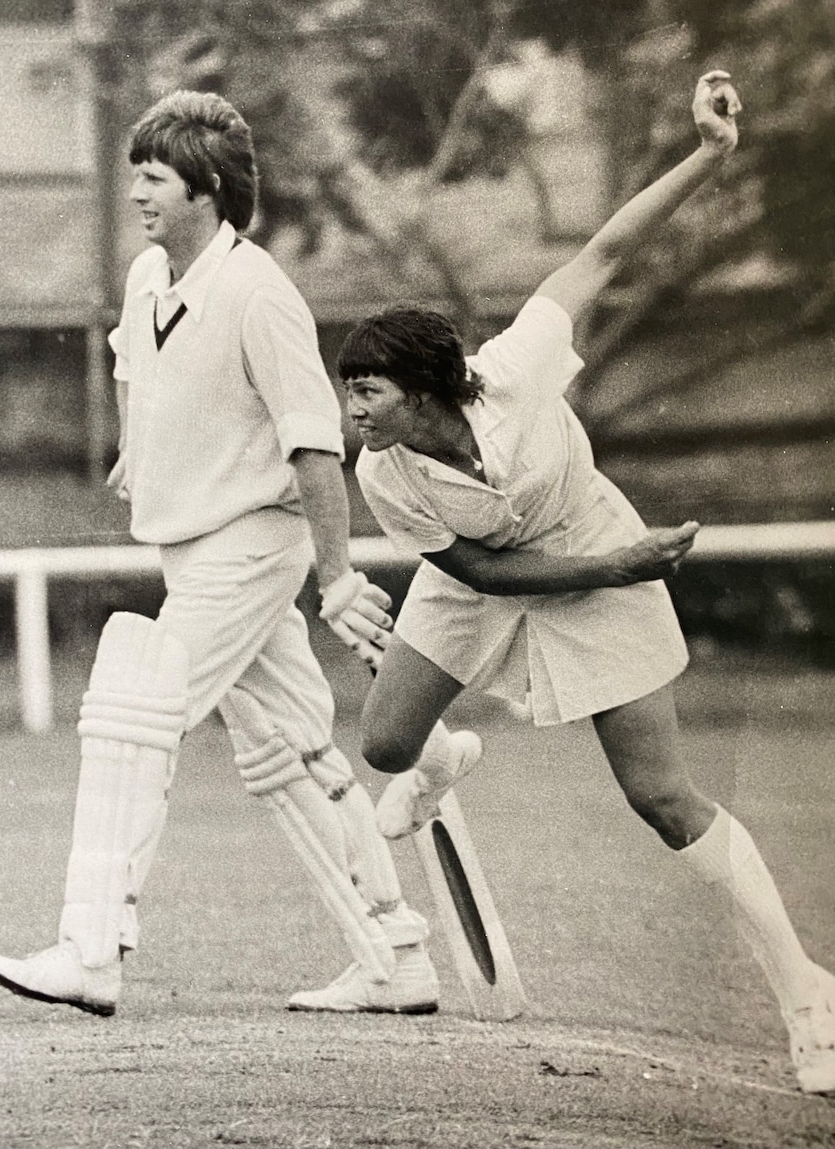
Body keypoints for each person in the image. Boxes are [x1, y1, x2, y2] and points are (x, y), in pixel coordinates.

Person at [334, 72, 835, 1092]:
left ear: (425, 388)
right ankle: (445, 758)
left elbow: (604, 249)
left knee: (659, 797)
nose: (354, 410)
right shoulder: (381, 472)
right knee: (386, 743)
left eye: (368, 392)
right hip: (526, 569)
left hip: (590, 548)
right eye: (349, 393)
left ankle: (807, 995)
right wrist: (621, 564)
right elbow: (475, 569)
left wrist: (708, 154)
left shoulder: (516, 367)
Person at [0, 89, 445, 1017]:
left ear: (208, 188)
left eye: (154, 178)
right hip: (191, 546)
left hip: (255, 539)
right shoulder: (149, 276)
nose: (138, 195)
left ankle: (92, 947)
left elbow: (314, 439)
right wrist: (132, 450)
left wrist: (337, 570)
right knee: (290, 745)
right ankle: (395, 952)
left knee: (132, 704)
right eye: (137, 177)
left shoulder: (258, 291)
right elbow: (126, 360)